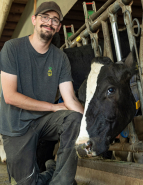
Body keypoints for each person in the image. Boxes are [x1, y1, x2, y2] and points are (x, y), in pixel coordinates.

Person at [0, 1, 84, 185]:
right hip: (16, 126)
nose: (49, 22)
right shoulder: (12, 49)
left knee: (73, 119)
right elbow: (10, 96)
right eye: (45, 17)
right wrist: (53, 107)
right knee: (28, 183)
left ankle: (61, 182)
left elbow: (69, 98)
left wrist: (88, 123)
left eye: (54, 20)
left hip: (43, 122)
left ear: (59, 27)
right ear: (34, 20)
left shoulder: (60, 58)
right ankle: (52, 171)